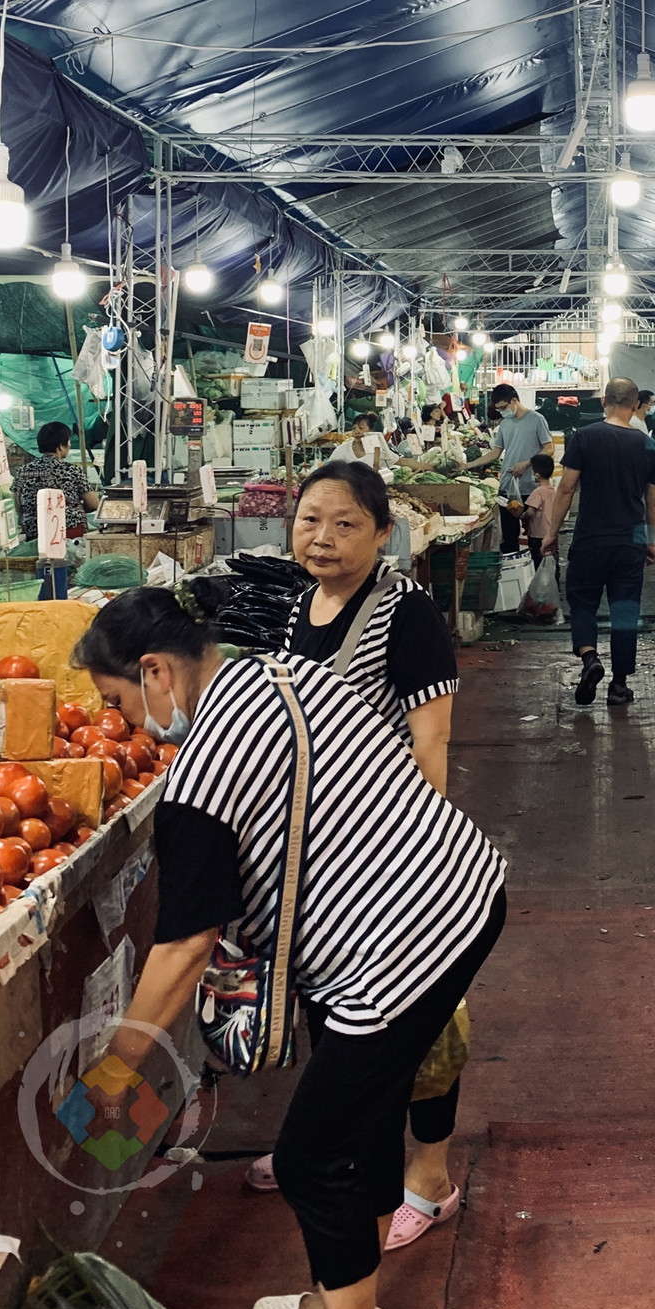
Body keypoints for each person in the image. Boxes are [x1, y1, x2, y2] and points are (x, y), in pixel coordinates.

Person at [77, 582, 504, 1309]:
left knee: (315, 1158)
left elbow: (182, 951)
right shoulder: (279, 672)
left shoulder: (200, 779)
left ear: (156, 672)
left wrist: (114, 1072)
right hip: (465, 889)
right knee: (365, 1121)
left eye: (119, 700)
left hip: (404, 946)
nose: (127, 722)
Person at [242, 461, 465, 1248]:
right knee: (336, 1019)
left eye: (344, 524)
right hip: (324, 856)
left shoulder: (406, 612)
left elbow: (430, 742)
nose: (322, 537)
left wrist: (424, 872)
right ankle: (331, 1143)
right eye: (309, 520)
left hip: (397, 855)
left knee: (419, 1026)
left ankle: (431, 1181)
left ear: (382, 533)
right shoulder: (302, 604)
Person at [543, 377, 655, 708]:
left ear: (602, 402)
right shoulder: (649, 446)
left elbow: (565, 489)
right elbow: (653, 502)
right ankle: (619, 686)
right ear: (636, 405)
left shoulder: (584, 437)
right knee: (625, 611)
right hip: (631, 540)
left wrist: (552, 532)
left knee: (582, 604)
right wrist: (650, 541)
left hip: (589, 537)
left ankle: (589, 658)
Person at [12, 421, 101, 599]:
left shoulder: (23, 472)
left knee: (44, 579)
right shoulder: (71, 471)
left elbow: (18, 506)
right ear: (61, 446)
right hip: (70, 536)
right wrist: (74, 506)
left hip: (36, 537)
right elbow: (94, 504)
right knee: (71, 584)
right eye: (67, 442)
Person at [486, 386, 552, 555]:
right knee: (509, 538)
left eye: (503, 407)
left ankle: (537, 576)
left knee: (536, 536)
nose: (501, 412)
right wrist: (468, 465)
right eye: (498, 409)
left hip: (530, 489)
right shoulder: (505, 423)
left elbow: (549, 448)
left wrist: (527, 464)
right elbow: (495, 453)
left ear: (514, 401)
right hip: (507, 487)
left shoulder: (537, 419)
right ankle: (513, 575)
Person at [520, 452, 557, 566]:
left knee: (538, 562)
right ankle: (553, 580)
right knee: (551, 559)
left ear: (537, 475)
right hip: (551, 533)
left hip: (538, 535)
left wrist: (522, 516)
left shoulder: (538, 492)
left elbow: (530, 512)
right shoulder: (553, 491)